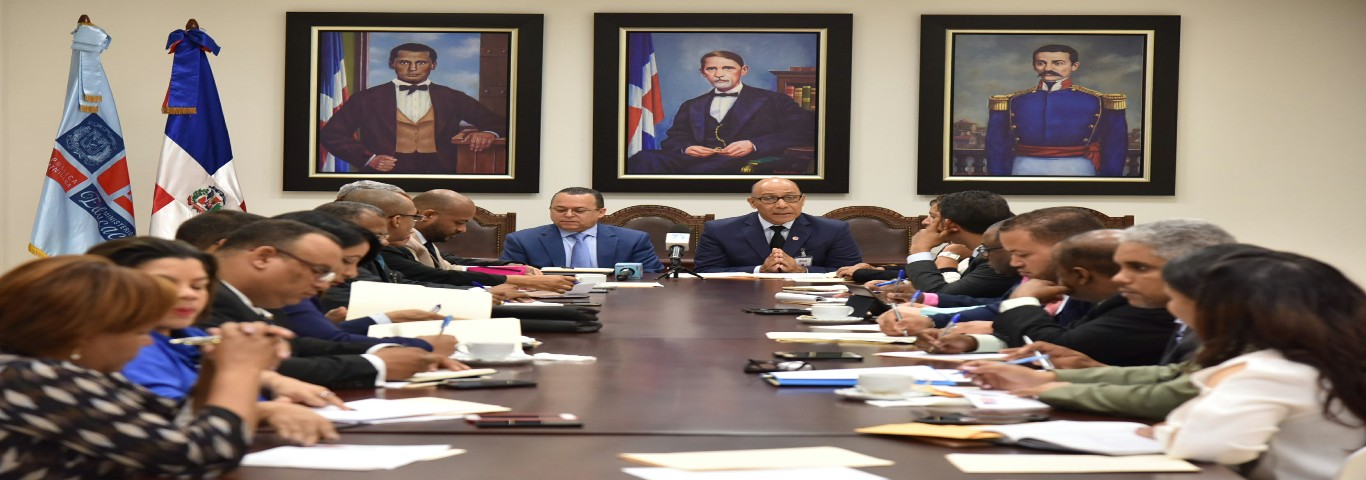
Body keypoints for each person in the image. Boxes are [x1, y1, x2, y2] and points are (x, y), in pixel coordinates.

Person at [0, 255, 283, 477]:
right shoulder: (28, 377)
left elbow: (172, 423)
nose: (146, 343)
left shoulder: (57, 370)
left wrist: (214, 365)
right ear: (81, 333)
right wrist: (241, 371)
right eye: (140, 331)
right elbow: (196, 457)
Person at [961, 229, 1246, 422]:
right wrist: (1091, 371)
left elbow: (1173, 394)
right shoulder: (1195, 314)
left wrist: (1047, 385)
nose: (1120, 279)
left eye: (1139, 268)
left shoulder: (1241, 323)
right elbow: (1174, 375)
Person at [89, 237, 340, 446]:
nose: (188, 294)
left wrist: (272, 381)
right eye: (166, 283)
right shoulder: (126, 349)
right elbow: (172, 425)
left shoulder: (188, 334)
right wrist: (264, 411)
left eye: (198, 286)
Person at [1149, 250, 1366, 480]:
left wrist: (1167, 430)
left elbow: (1203, 445)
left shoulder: (1270, 371)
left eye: (1172, 299)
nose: (1170, 308)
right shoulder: (1341, 358)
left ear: (1220, 312)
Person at [203, 219, 463, 389]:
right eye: (320, 270)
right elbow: (246, 365)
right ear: (263, 257)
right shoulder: (206, 298)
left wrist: (391, 351)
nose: (326, 282)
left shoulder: (237, 296)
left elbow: (295, 346)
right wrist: (379, 364)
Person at [921, 230, 1179, 367]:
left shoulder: (1146, 306)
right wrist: (972, 343)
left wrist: (1020, 302)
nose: (1122, 278)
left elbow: (1063, 345)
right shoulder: (1111, 299)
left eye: (1139, 268)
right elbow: (1055, 345)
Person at [877, 206, 1104, 332]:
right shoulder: (1040, 278)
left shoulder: (1099, 296)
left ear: (1067, 250)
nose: (1015, 263)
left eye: (1022, 254)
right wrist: (930, 317)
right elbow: (997, 310)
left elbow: (1060, 343)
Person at [272, 211, 454, 353]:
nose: (351, 272)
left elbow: (318, 337)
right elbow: (323, 345)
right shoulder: (289, 292)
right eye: (347, 261)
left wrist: (388, 318)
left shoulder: (298, 288)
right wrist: (421, 344)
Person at [319, 42, 507, 174]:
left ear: (433, 65)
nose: (412, 68)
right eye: (404, 62)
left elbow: (499, 122)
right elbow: (332, 134)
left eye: (421, 62)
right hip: (385, 175)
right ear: (392, 64)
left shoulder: (452, 97)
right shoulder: (366, 98)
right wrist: (369, 159)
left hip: (440, 171)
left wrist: (489, 132)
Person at [626, 51, 816, 174]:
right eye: (712, 69)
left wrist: (753, 144)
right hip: (694, 159)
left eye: (727, 68)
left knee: (698, 173)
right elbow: (673, 139)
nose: (719, 74)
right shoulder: (692, 105)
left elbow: (806, 131)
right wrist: (686, 148)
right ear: (703, 73)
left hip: (745, 160)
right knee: (643, 159)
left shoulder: (773, 100)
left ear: (743, 70)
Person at [986, 44, 1128, 176]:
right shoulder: (1013, 101)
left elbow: (1115, 147)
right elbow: (997, 146)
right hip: (1022, 168)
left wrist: (1109, 180)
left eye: (1057, 63)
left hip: (1079, 169)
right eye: (1041, 63)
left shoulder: (1098, 101)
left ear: (1075, 66)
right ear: (1034, 66)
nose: (1048, 68)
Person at [694, 177, 862, 273]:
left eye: (790, 198)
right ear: (752, 202)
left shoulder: (833, 230)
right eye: (769, 198)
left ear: (802, 200)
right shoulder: (720, 230)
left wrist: (801, 271)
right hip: (738, 299)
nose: (781, 205)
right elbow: (706, 271)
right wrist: (759, 270)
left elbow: (848, 272)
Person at [500, 187, 665, 272]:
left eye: (579, 211)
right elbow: (510, 276)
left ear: (601, 212)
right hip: (549, 300)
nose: (569, 215)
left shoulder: (633, 240)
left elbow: (651, 275)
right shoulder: (522, 240)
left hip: (618, 301)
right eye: (560, 210)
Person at [406, 189, 541, 272]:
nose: (463, 230)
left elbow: (452, 265)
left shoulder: (425, 241)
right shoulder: (403, 242)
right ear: (428, 215)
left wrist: (511, 269)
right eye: (459, 222)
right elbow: (435, 277)